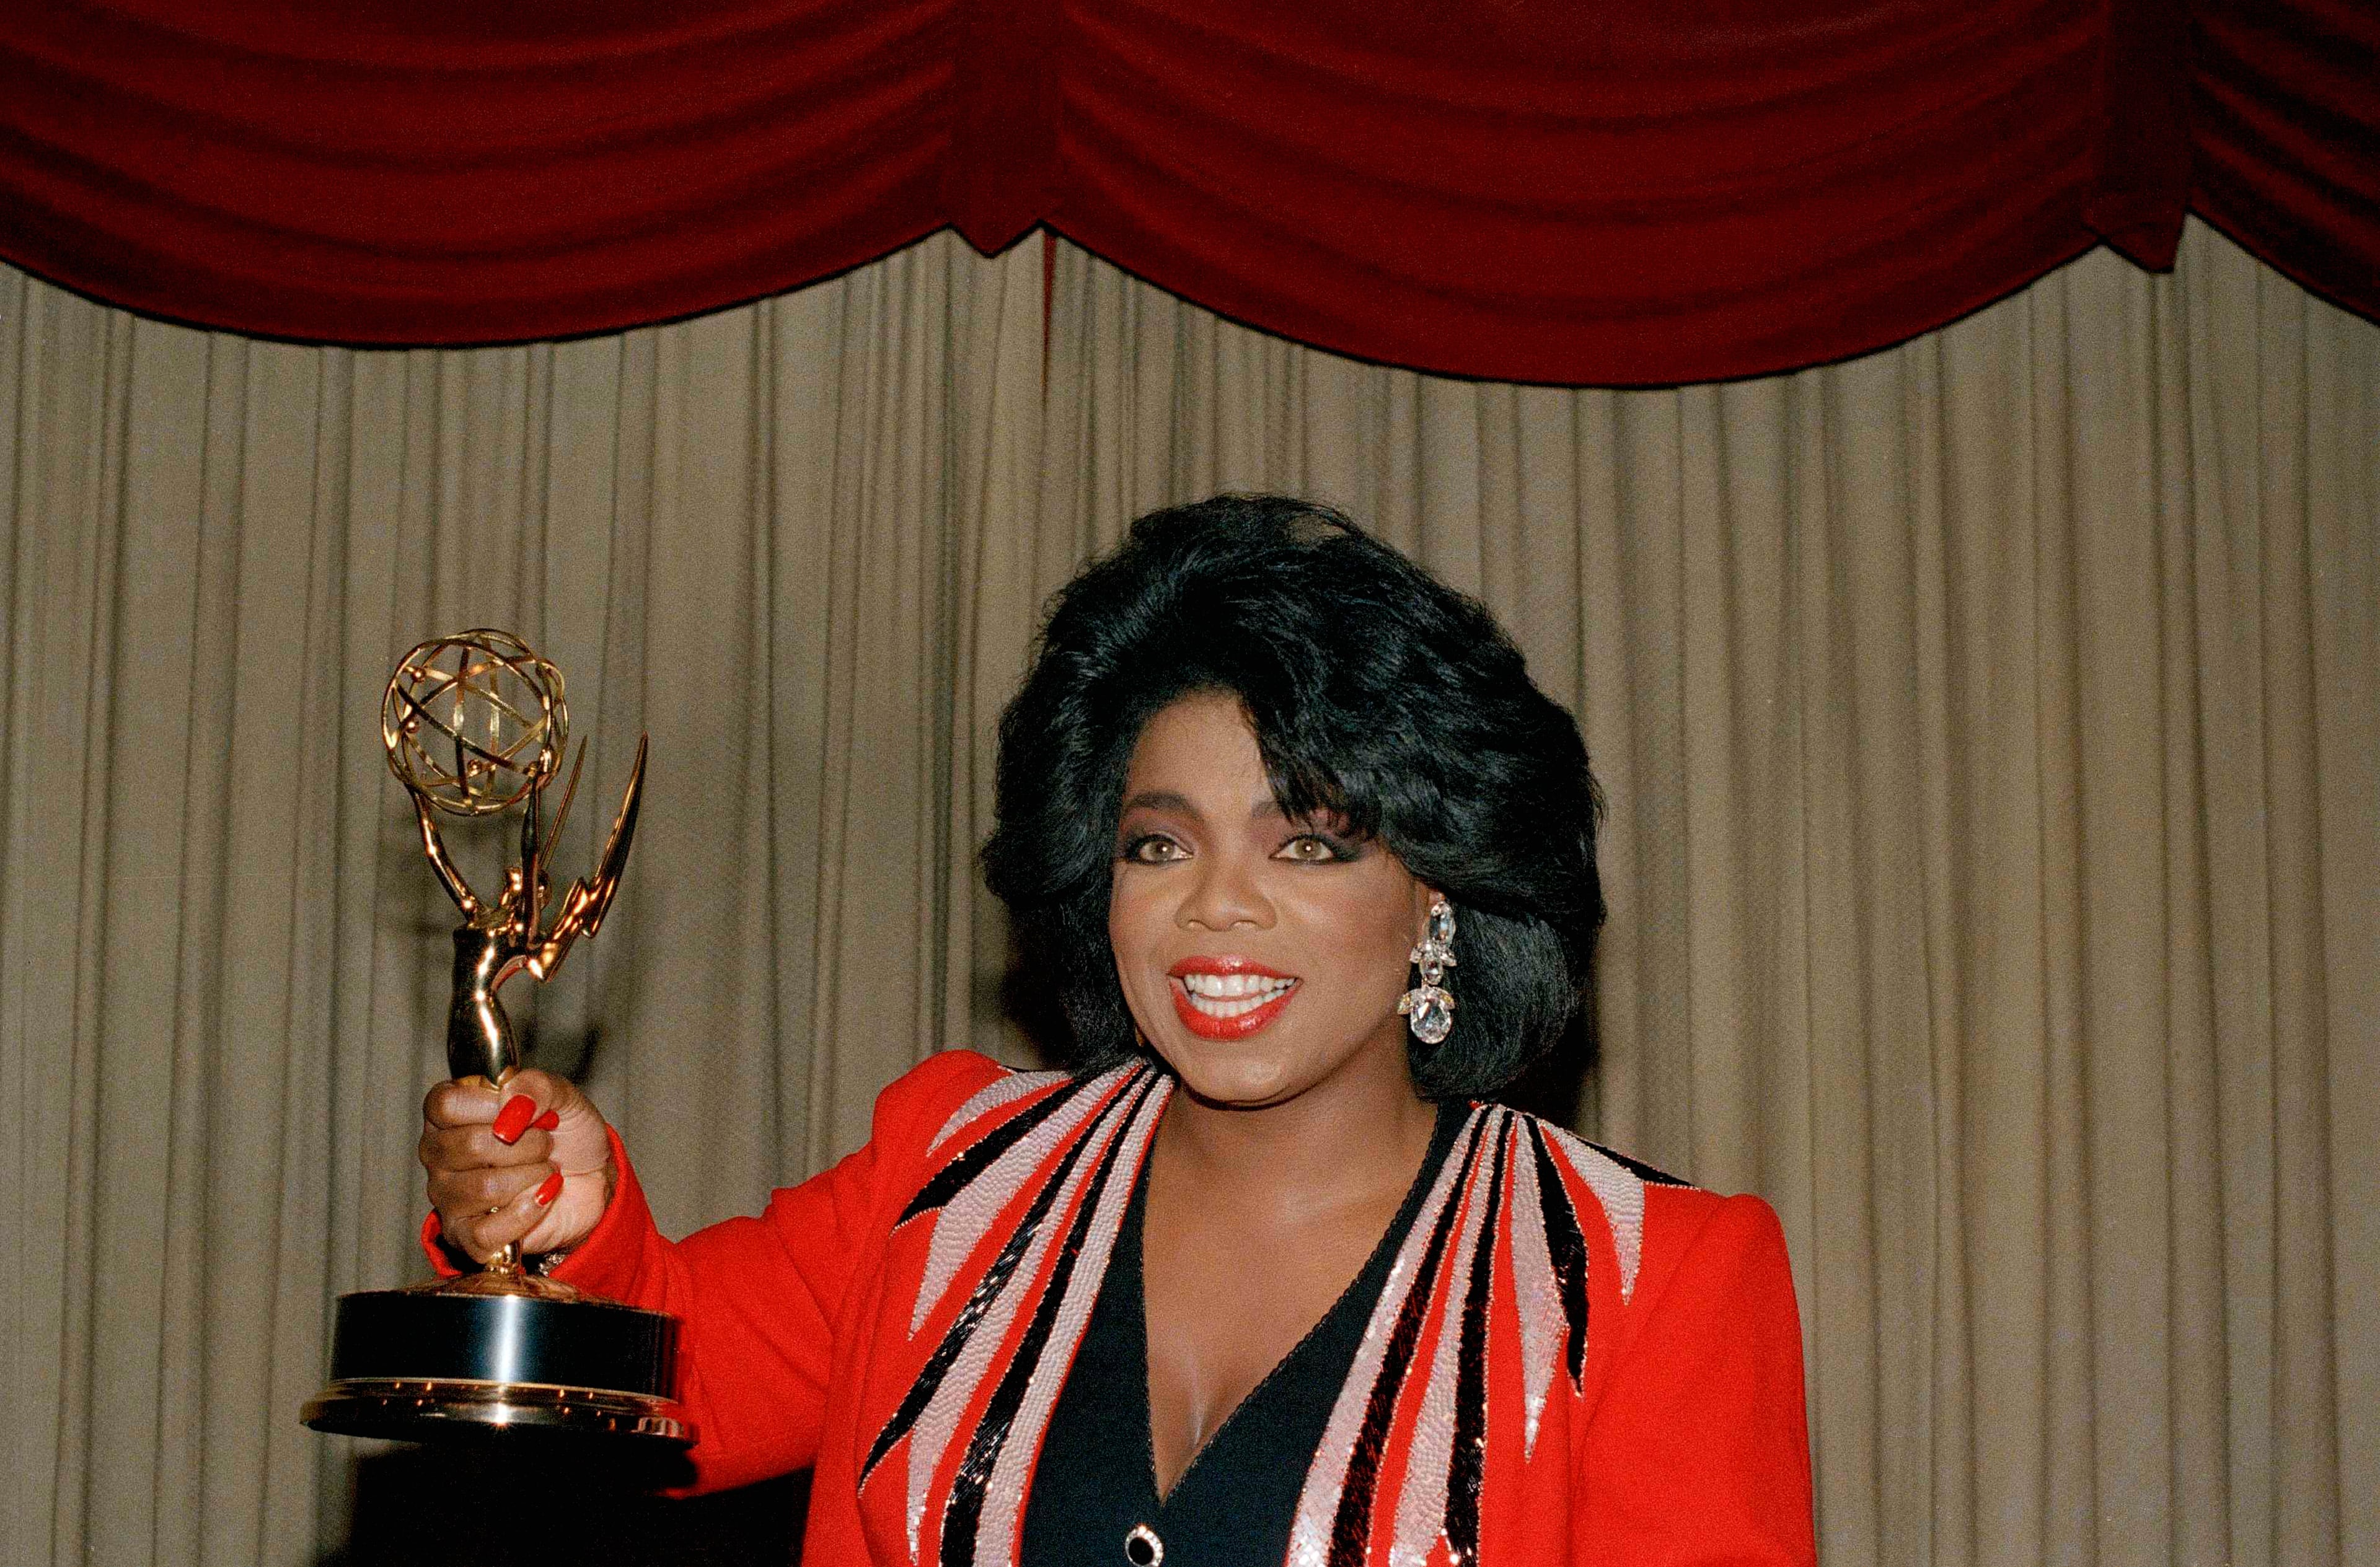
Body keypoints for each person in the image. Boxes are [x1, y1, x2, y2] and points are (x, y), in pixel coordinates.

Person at [419, 494, 1816, 1566]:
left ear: (1436, 892)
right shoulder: (955, 1172)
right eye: (1160, 843)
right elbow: (660, 1392)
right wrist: (556, 1214)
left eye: (1309, 847)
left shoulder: (1650, 1283)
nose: (1218, 908)